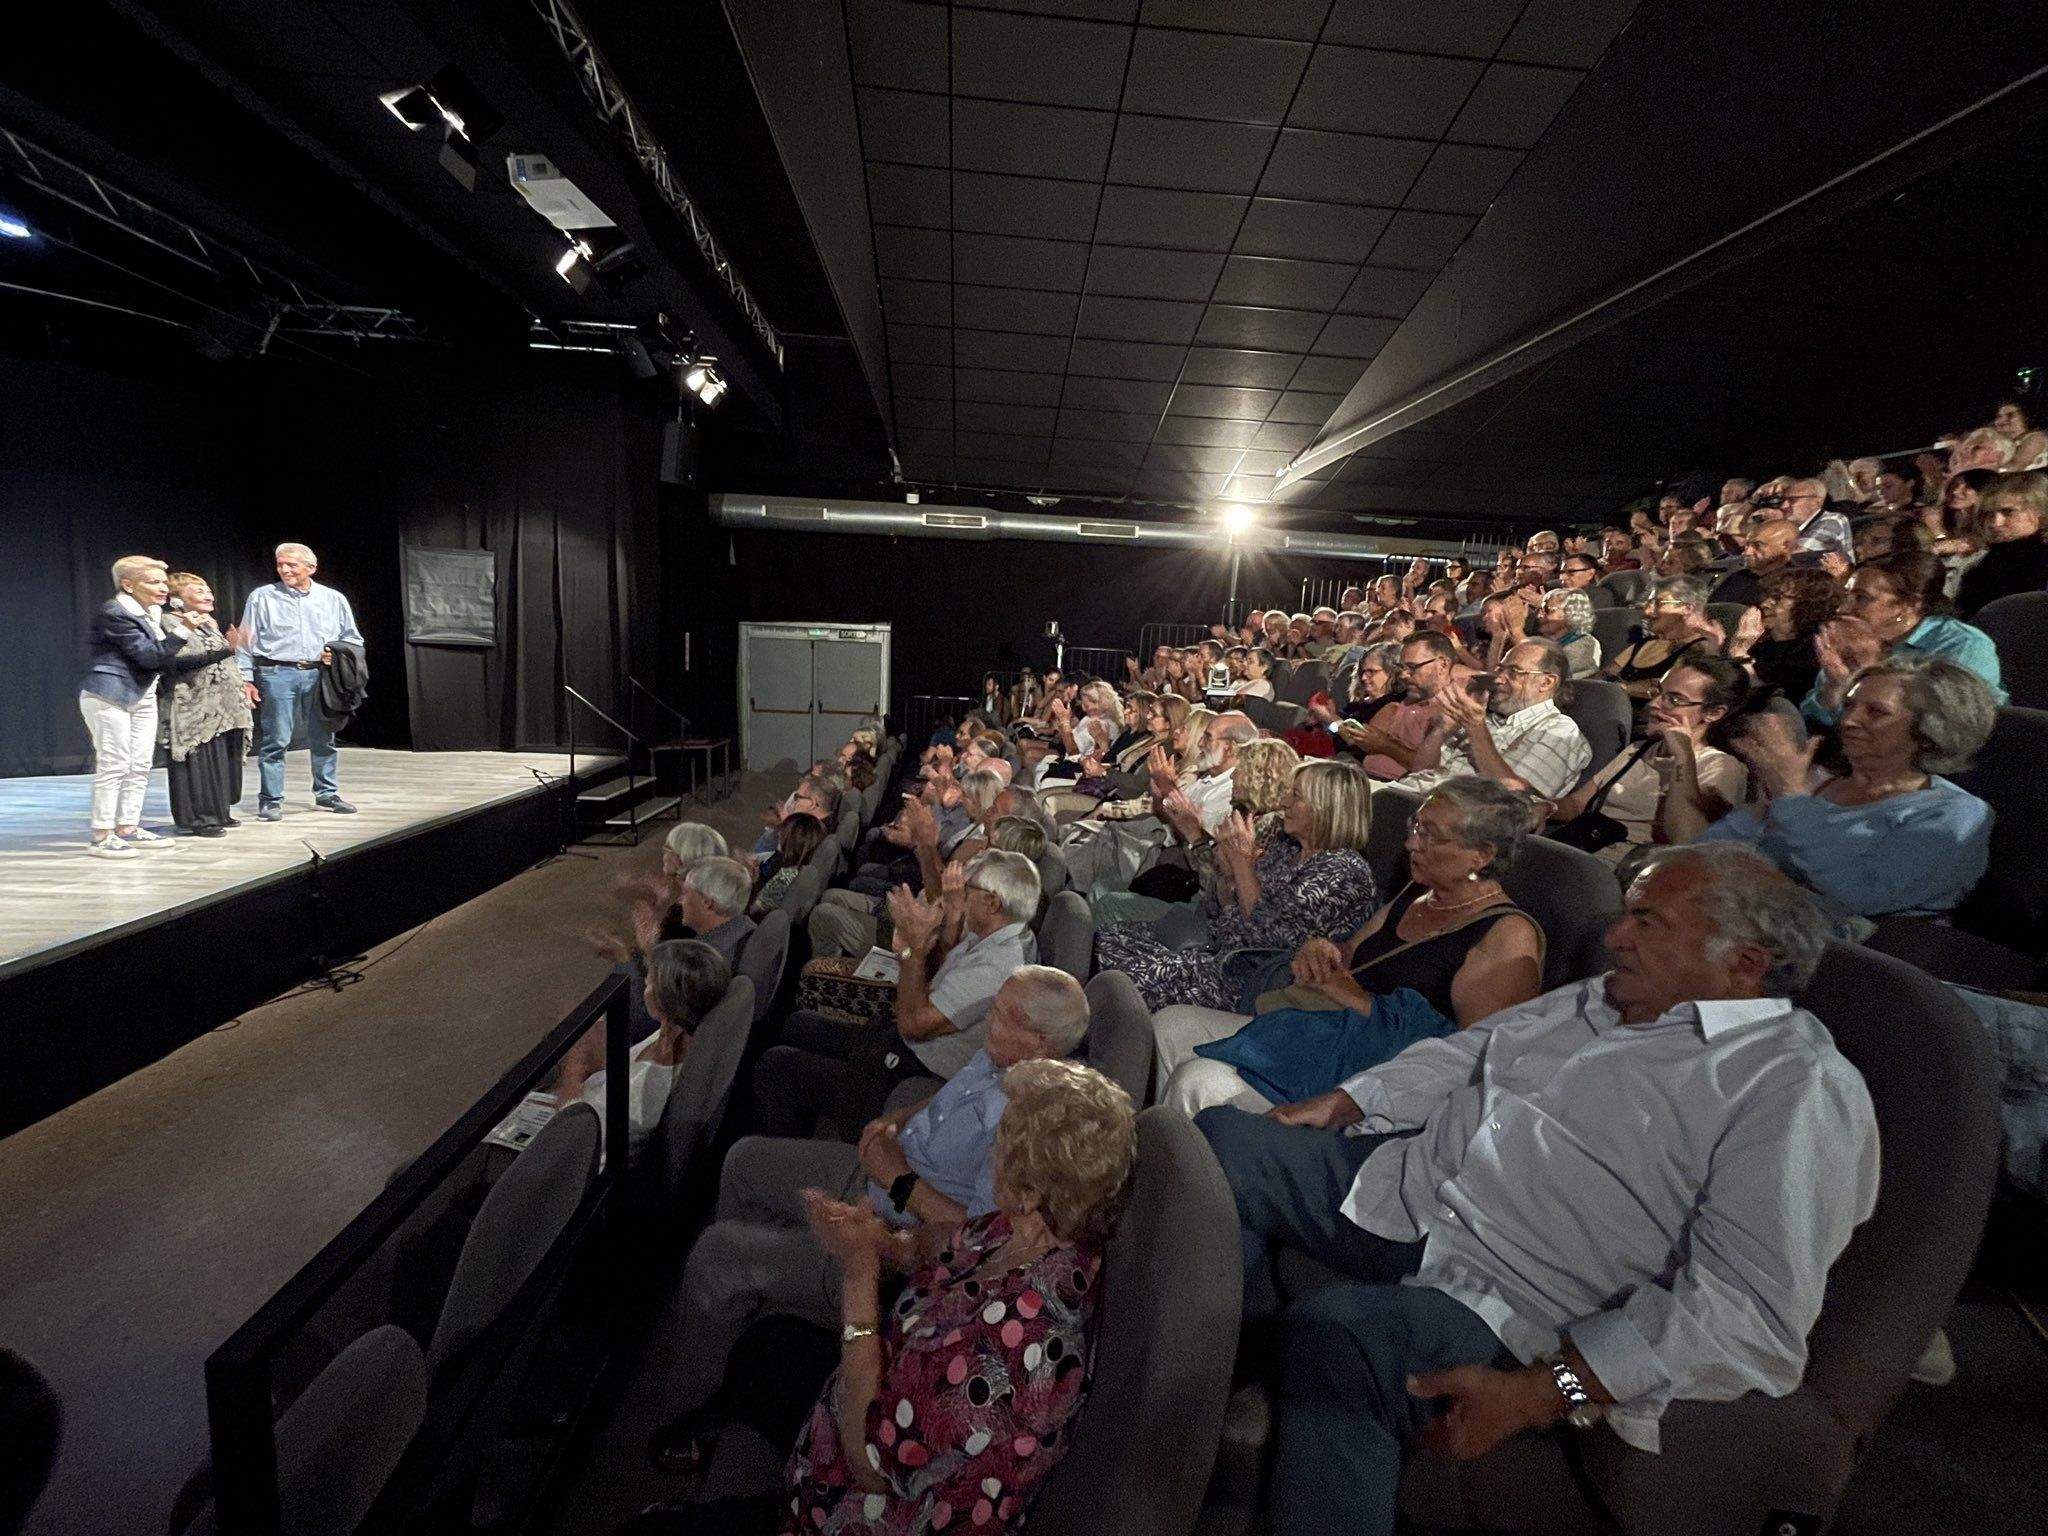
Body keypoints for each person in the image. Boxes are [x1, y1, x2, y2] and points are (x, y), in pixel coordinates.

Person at [1196, 845, 1876, 1536]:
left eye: (1648, 922)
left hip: (1509, 1292)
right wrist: (1351, 1099)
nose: (1616, 937)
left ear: (1745, 963)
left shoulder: (1792, 1087)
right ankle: (1206, 1385)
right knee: (1215, 1145)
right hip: (1409, 1192)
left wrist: (1547, 1391)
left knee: (1341, 1335)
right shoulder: (1607, 995)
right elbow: (1471, 1053)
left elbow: (1748, 1315)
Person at [643, 969, 1094, 1479]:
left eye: (1003, 1015)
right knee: (744, 1161)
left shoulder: (1028, 1128)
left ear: (1040, 1044)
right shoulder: (1002, 1056)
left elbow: (976, 1239)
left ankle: (693, 1407)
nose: (988, 1017)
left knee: (718, 1255)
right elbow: (949, 1095)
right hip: (886, 1171)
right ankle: (731, 1321)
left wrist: (897, 1180)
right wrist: (897, 1119)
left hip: (896, 1227)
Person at [1155, 777, 1545, 1118]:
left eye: (1430, 834)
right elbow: (1349, 953)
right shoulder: (1419, 894)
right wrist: (1320, 948)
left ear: (1482, 855)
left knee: (1198, 1082)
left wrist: (1363, 1004)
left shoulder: (1507, 937)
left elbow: (1467, 1067)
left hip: (1369, 1077)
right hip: (1327, 1030)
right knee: (1171, 1025)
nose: (1411, 842)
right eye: (1415, 827)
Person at [754, 851, 1042, 1138]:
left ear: (992, 903)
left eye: (968, 889)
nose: (960, 894)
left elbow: (913, 1025)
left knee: (776, 1066)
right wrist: (948, 923)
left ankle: (794, 1154)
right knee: (800, 1024)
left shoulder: (998, 965)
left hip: (912, 1071)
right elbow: (941, 968)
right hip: (902, 1044)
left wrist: (910, 950)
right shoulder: (995, 933)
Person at [1696, 656, 1997, 920]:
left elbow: (1858, 893)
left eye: (1876, 712)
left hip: (1835, 948)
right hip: (1732, 909)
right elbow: (1710, 849)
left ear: (1928, 731)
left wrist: (1789, 794)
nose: (1849, 721)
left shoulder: (1955, 814)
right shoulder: (1816, 780)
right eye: (1849, 705)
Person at [1094, 759, 1379, 1012]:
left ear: (1326, 808)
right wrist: (1230, 874)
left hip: (1253, 981)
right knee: (1106, 941)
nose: (1284, 803)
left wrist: (1240, 862)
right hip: (1218, 949)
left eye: (1296, 796)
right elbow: (1223, 908)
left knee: (1124, 978)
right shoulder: (1287, 849)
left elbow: (1266, 938)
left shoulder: (1343, 871)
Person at [78, 556, 246, 857]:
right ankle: (101, 835)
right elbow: (150, 657)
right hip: (111, 694)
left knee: (140, 765)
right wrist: (183, 630)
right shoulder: (115, 611)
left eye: (163, 582)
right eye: (153, 582)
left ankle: (128, 827)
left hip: (142, 694)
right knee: (114, 764)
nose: (163, 588)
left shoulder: (152, 612)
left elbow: (162, 659)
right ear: (128, 585)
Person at [1544, 656, 1750, 866]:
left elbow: (1685, 838)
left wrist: (1682, 755)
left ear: (1714, 713)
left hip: (1631, 868)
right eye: (1658, 692)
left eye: (1675, 700)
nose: (1654, 704)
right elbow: (1577, 804)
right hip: (1583, 850)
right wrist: (1539, 807)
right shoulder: (1638, 749)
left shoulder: (1722, 768)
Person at [553, 938, 730, 1149]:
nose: (645, 983)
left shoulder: (646, 1090)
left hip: (579, 1141)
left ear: (664, 999)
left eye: (650, 982)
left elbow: (573, 1135)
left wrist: (573, 1072)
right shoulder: (677, 1032)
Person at [1800, 551, 2005, 727]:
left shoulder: (1963, 645)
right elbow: (1813, 720)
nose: (1842, 609)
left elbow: (1947, 727)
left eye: (1862, 598)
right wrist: (1835, 687)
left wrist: (1871, 673)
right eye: (1846, 596)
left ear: (1910, 605)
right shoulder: (1854, 638)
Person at [235, 542, 364, 820]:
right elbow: (244, 641)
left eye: (291, 565)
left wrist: (336, 653)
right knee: (276, 740)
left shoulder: (333, 599)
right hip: (276, 674)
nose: (284, 570)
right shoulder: (262, 597)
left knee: (324, 737)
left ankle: (327, 793)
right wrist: (246, 678)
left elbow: (353, 638)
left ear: (311, 568)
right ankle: (271, 800)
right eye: (280, 564)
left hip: (320, 675)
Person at [1397, 639, 1591, 800]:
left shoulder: (1560, 730)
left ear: (1546, 682)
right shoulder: (1488, 719)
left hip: (1446, 819)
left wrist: (1476, 728)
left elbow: (1514, 799)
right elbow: (1420, 772)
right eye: (1500, 670)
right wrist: (1441, 729)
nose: (1498, 679)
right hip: (1408, 795)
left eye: (1513, 672)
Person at [157, 572, 255, 838]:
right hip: (193, 705)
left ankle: (219, 811)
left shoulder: (208, 623)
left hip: (221, 706)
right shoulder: (169, 622)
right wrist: (229, 648)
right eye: (199, 590)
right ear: (177, 598)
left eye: (208, 590)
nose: (208, 595)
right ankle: (199, 818)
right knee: (198, 761)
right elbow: (180, 661)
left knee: (219, 759)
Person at [1723, 566, 1837, 701]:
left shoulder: (1811, 657)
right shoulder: (1764, 648)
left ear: (1807, 606)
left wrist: (1740, 651)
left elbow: (1767, 700)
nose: (1765, 604)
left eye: (1777, 599)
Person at [1597, 577, 1718, 703]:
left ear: (1687, 609)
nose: (1647, 611)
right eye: (1648, 603)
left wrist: (1620, 688)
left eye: (1658, 603)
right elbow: (1603, 677)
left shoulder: (1702, 648)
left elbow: (1666, 689)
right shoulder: (1647, 643)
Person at [1954, 470, 2048, 617]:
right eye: (1989, 513)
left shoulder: (2039, 563)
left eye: (2008, 512)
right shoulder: (1990, 560)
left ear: (2041, 512)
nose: (1995, 523)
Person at [675, 856, 758, 966]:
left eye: (685, 893)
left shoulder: (702, 963)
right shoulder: (750, 931)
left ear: (707, 903)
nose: (679, 900)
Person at [751, 812, 827, 915]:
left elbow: (753, 910)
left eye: (783, 831)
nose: (779, 833)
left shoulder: (783, 879)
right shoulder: (803, 868)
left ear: (793, 840)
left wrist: (752, 882)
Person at [1535, 588, 1602, 678]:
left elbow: (1544, 676)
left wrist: (1517, 631)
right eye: (1540, 610)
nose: (1539, 616)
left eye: (1548, 610)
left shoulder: (1584, 644)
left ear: (1570, 614)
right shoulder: (1542, 640)